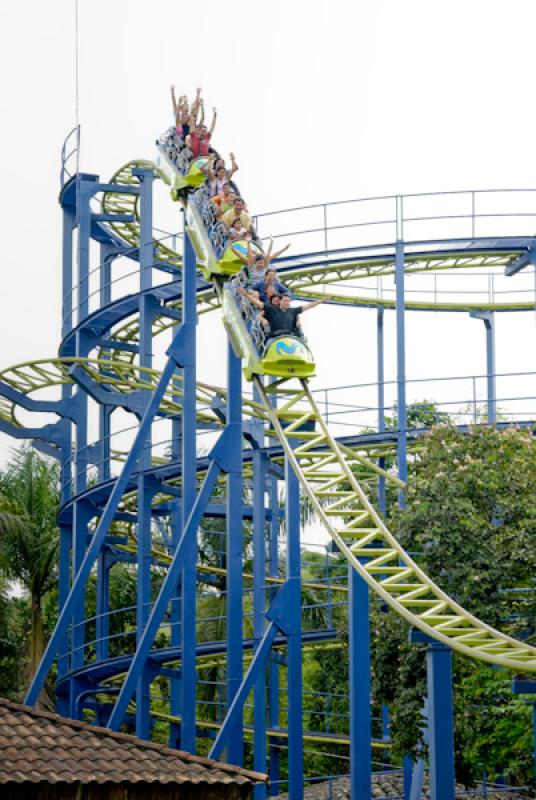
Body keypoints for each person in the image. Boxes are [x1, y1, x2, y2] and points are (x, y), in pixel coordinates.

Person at [239, 288, 327, 339]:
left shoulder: (293, 311)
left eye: (288, 301)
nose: (287, 303)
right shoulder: (272, 309)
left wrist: (321, 301)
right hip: (275, 337)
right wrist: (246, 295)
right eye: (285, 301)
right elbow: (258, 304)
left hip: (290, 337)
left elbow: (308, 306)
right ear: (280, 301)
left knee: (301, 341)